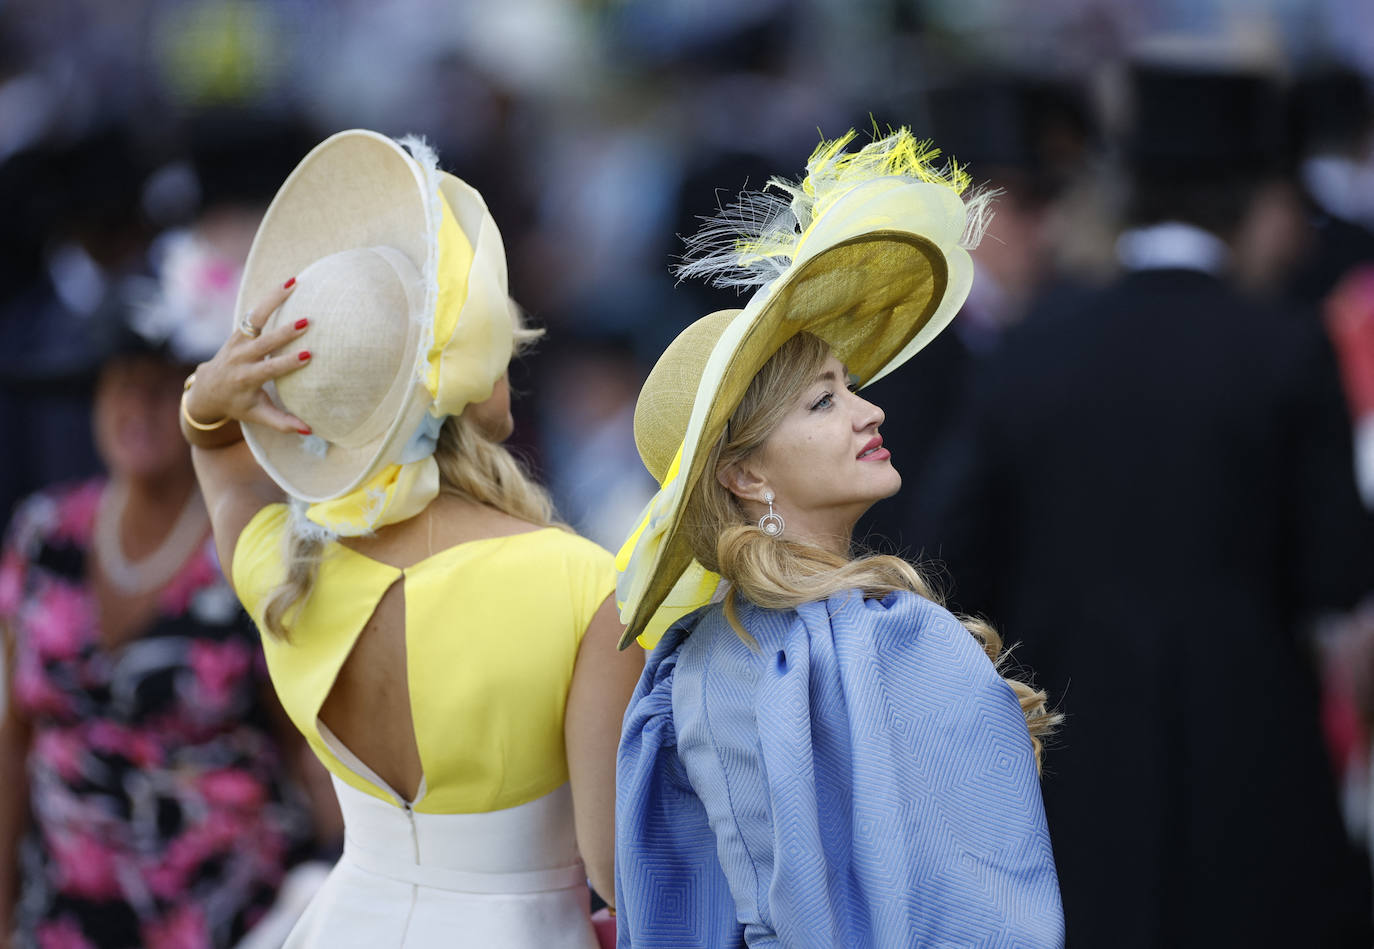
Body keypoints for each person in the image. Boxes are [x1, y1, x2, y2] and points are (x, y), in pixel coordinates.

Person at [922, 60, 1374, 947]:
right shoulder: (1283, 349)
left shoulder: (1029, 350)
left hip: (1072, 767)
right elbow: (1336, 572)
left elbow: (952, 558)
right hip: (1257, 769)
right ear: (1256, 203)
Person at [180, 129, 642, 947]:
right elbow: (617, 870)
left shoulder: (285, 570)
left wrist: (207, 399)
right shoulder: (583, 583)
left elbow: (217, 460)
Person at [611, 129, 1064, 947]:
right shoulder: (897, 639)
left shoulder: (692, 659)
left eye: (850, 389)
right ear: (745, 476)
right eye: (824, 402)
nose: (870, 411)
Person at [0, 249, 316, 947]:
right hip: (63, 919)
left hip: (225, 917)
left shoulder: (246, 550)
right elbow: (14, 736)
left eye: (158, 385)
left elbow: (309, 746)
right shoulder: (43, 534)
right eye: (118, 384)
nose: (135, 406)